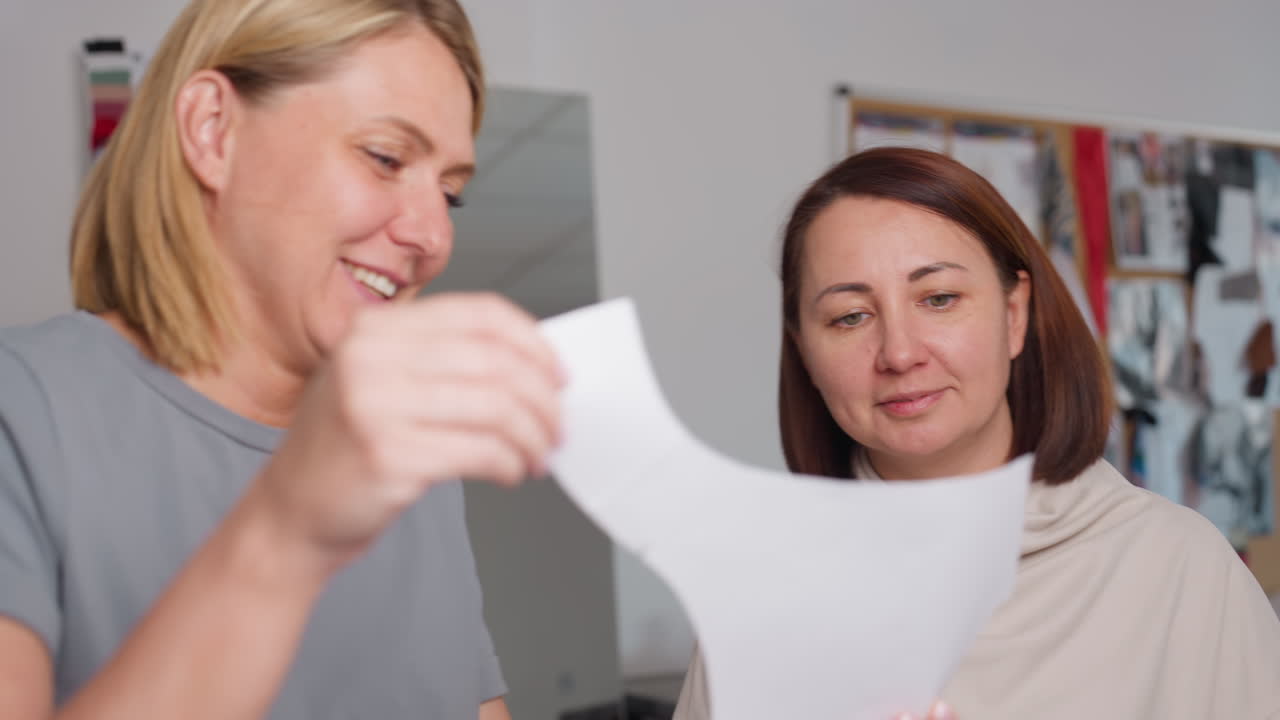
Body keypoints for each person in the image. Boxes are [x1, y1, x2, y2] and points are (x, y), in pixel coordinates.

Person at [0, 1, 565, 718]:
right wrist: (285, 531)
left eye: (450, 195)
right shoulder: (20, 414)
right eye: (385, 158)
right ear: (214, 131)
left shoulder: (412, 471)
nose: (432, 237)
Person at [673, 147, 1280, 719]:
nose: (900, 352)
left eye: (938, 298)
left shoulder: (1179, 569)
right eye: (850, 316)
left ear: (1014, 316)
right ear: (804, 350)